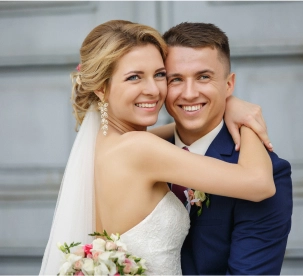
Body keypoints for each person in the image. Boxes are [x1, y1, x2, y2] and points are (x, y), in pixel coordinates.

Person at [39, 20, 275, 275]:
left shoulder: (102, 144)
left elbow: (175, 133)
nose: (153, 90)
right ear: (101, 87)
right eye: (134, 77)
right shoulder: (141, 149)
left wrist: (226, 103)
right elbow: (259, 183)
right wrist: (246, 121)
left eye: (160, 74)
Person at [162, 22, 293, 275]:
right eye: (175, 79)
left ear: (229, 85)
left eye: (204, 77)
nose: (189, 94)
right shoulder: (142, 152)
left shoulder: (268, 172)